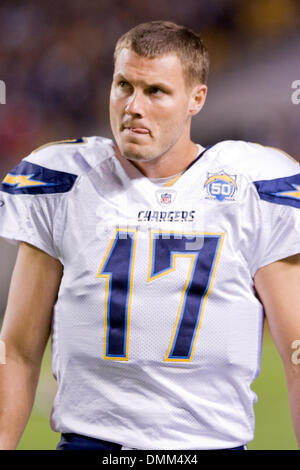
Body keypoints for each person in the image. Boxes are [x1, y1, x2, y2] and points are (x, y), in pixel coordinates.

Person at [0, 20, 300, 451]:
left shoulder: (252, 187)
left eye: (155, 91)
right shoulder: (65, 181)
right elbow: (19, 350)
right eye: (124, 85)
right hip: (93, 446)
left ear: (196, 99)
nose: (133, 105)